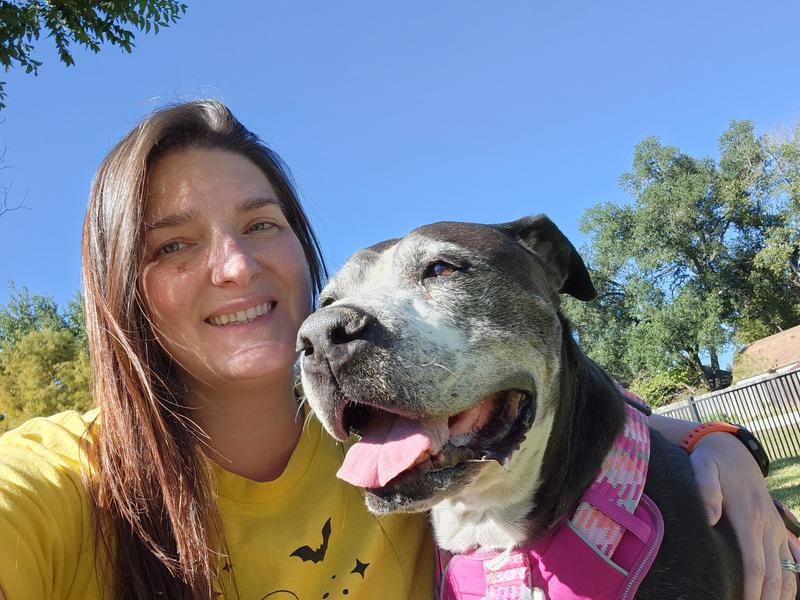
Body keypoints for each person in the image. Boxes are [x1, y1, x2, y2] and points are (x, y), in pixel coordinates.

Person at [0, 100, 794, 600]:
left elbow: (581, 413)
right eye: (171, 246)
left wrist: (710, 441)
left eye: (262, 224)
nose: (236, 266)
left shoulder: (379, 441)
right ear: (116, 294)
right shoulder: (69, 482)